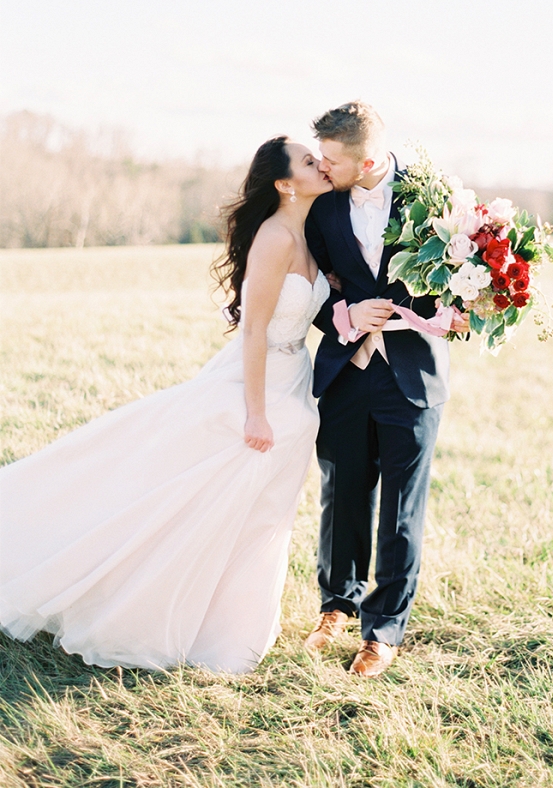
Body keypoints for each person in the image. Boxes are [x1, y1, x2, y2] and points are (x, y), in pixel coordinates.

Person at [0, 136, 332, 673]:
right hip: (259, 382)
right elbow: (252, 331)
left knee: (264, 511)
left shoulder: (314, 232)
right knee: (201, 496)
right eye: (310, 162)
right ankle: (163, 617)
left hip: (297, 379)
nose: (322, 166)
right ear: (284, 183)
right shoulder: (274, 237)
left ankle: (235, 630)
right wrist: (254, 412)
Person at [304, 102, 468, 677]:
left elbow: (464, 270)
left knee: (402, 505)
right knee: (342, 491)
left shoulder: (434, 198)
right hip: (346, 370)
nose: (320, 167)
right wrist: (346, 315)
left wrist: (471, 309)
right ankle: (336, 604)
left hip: (412, 374)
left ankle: (384, 629)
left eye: (329, 159)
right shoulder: (320, 207)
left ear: (367, 159)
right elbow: (309, 288)